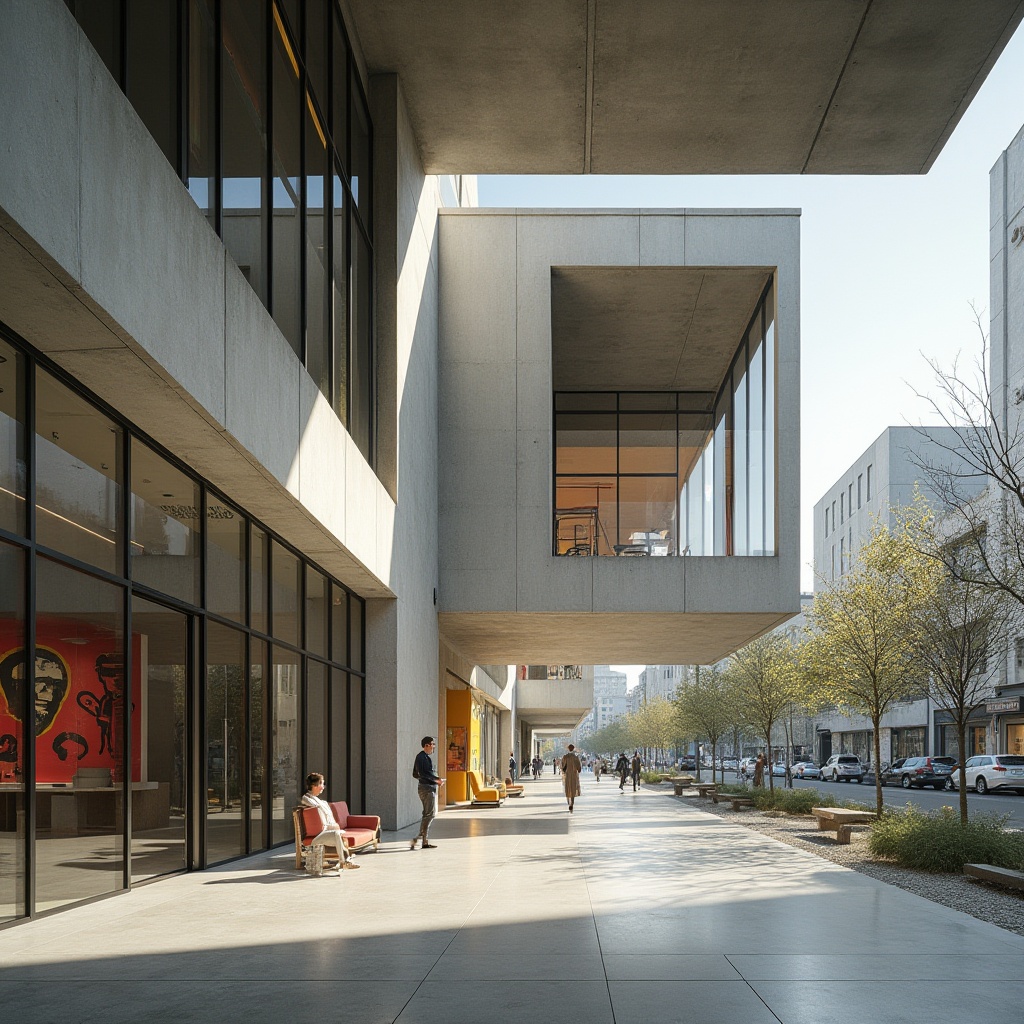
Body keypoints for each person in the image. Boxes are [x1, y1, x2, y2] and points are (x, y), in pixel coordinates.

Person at [301, 772, 360, 871]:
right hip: (318, 836)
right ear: (314, 785)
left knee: (337, 834)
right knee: (336, 834)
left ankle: (345, 860)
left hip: (326, 832)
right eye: (322, 784)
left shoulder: (321, 802)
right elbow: (307, 801)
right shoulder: (307, 798)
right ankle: (344, 861)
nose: (323, 787)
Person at [411, 736, 445, 850]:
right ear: (426, 745)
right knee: (429, 814)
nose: (433, 746)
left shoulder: (423, 757)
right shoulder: (422, 758)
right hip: (427, 789)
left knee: (427, 813)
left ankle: (422, 838)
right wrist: (436, 780)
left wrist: (434, 780)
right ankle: (421, 838)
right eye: (432, 744)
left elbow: (415, 774)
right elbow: (422, 774)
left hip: (425, 787)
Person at [561, 743, 582, 812]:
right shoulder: (575, 757)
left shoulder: (565, 757)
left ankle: (568, 801)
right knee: (573, 788)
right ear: (573, 749)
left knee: (567, 788)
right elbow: (579, 768)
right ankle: (572, 803)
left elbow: (562, 766)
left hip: (567, 775)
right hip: (574, 775)